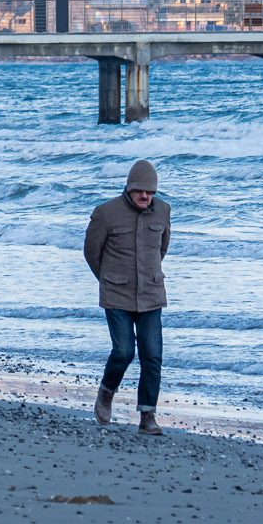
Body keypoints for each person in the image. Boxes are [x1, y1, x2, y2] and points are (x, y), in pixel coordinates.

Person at [82, 159, 171, 435]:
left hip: (151, 295)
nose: (145, 196)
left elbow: (162, 248)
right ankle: (106, 392)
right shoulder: (106, 213)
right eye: (140, 191)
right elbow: (91, 253)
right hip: (116, 294)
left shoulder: (163, 212)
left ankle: (147, 416)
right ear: (129, 188)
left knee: (152, 355)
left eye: (150, 192)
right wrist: (109, 280)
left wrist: (149, 276)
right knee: (123, 351)